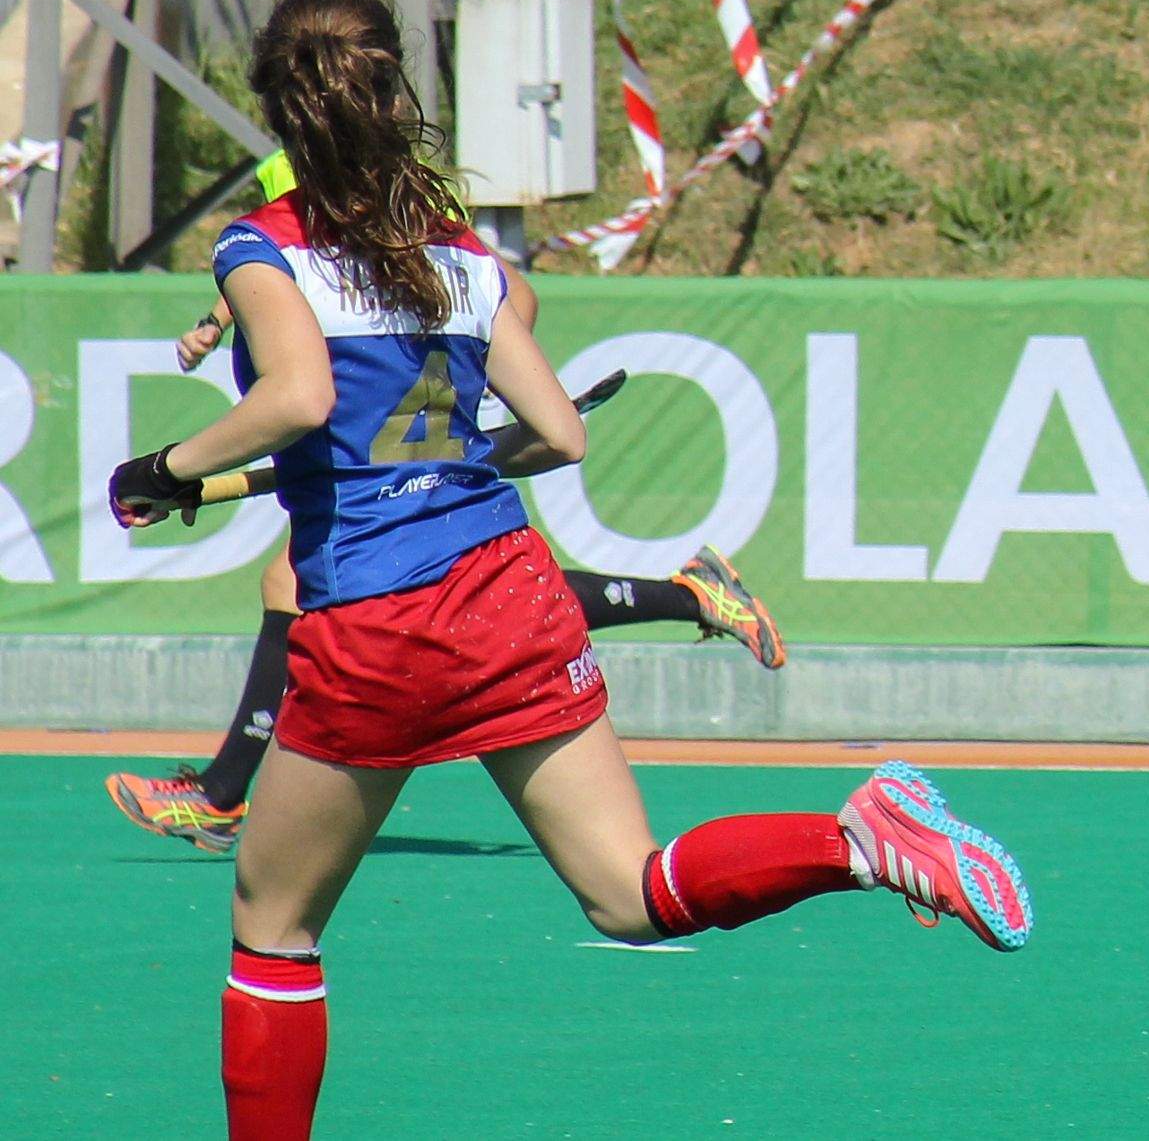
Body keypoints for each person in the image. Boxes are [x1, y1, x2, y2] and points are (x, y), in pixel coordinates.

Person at [105, 0, 1030, 1141]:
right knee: (630, 890)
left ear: (280, 114)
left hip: (382, 623)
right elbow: (558, 435)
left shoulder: (262, 247)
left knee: (273, 926)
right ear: (395, 93)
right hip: (509, 590)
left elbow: (298, 396)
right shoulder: (457, 253)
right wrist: (447, 460)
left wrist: (165, 468)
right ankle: (858, 843)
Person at [105, 173, 785, 856]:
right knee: (388, 594)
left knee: (354, 590)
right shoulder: (305, 178)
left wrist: (458, 388)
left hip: (400, 459)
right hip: (369, 454)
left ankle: (222, 795)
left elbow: (514, 295)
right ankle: (690, 593)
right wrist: (216, 323)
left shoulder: (405, 195)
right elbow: (275, 273)